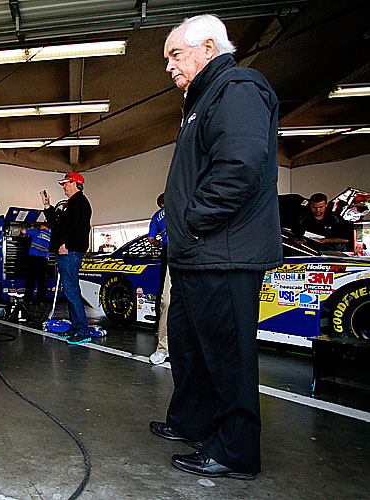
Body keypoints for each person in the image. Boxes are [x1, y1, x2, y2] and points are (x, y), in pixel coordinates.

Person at [149, 15, 282, 481]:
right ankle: (192, 422)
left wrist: (191, 221)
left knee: (228, 356)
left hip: (222, 251)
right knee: (190, 346)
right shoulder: (201, 100)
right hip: (197, 253)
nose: (168, 66)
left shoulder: (238, 87)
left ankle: (236, 451)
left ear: (208, 47)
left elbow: (240, 166)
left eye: (175, 55)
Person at [41, 173, 92, 344]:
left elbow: (82, 229)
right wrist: (47, 206)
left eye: (66, 183)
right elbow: (56, 224)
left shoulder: (80, 203)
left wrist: (68, 245)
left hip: (70, 253)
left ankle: (83, 330)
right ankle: (77, 326)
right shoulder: (69, 205)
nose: (63, 186)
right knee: (69, 291)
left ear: (75, 183)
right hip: (65, 253)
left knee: (72, 291)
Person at [147, 193, 168, 365]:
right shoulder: (183, 208)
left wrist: (161, 245)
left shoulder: (157, 215)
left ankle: (160, 335)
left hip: (168, 251)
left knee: (164, 295)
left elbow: (151, 238)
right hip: (188, 250)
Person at [22, 224, 51, 304]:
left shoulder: (37, 231)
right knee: (42, 281)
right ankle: (41, 300)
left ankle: (28, 300)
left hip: (34, 259)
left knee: (30, 280)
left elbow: (23, 231)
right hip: (43, 260)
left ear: (42, 226)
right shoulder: (50, 236)